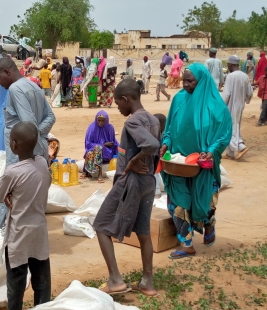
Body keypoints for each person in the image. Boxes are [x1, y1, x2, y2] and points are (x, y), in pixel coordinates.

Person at [93, 79, 159, 296]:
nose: (118, 108)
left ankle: (115, 279)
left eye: (118, 104)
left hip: (131, 182)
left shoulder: (132, 122)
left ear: (126, 99)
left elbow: (151, 145)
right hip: (149, 181)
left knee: (101, 225)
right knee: (144, 233)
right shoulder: (152, 119)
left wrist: (132, 162)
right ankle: (147, 282)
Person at [161, 63, 232, 259]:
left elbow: (224, 134)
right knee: (178, 202)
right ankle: (187, 243)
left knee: (204, 202)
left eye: (190, 81)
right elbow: (169, 128)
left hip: (203, 164)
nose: (186, 84)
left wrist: (211, 151)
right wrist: (166, 143)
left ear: (202, 81)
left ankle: (208, 224)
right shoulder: (179, 100)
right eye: (184, 80)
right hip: (178, 163)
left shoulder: (216, 106)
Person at [0, 121, 52, 310]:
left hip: (18, 233)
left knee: (16, 278)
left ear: (14, 145)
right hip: (39, 230)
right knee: (41, 277)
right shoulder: (42, 163)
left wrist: (10, 195)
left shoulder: (12, 172)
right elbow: (45, 183)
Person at [0, 57, 56, 168]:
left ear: (7, 72)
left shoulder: (15, 89)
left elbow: (28, 125)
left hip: (22, 158)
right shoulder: (34, 86)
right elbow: (50, 117)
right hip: (38, 152)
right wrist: (39, 133)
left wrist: (34, 132)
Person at [221, 55, 253, 160]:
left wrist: (221, 106)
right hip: (240, 105)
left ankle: (240, 146)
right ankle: (230, 153)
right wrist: (246, 99)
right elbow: (250, 92)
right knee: (235, 125)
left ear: (231, 64)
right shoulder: (245, 76)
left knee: (228, 127)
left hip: (230, 105)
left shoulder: (230, 76)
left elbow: (226, 94)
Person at [81, 110, 118, 183]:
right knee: (97, 149)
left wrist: (104, 146)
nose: (100, 123)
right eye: (99, 120)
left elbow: (112, 143)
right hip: (93, 149)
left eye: (103, 121)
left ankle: (97, 173)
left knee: (100, 148)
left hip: (107, 151)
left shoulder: (110, 128)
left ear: (106, 121)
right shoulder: (92, 128)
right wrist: (102, 145)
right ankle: (93, 173)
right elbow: (88, 143)